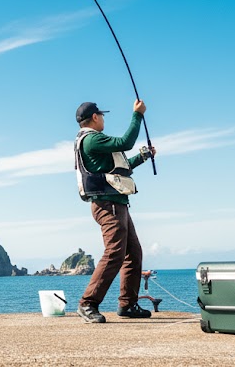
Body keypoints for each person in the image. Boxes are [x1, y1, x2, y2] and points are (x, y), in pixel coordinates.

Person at [73, 99, 157, 324]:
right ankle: (87, 304)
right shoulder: (92, 139)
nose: (103, 118)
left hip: (115, 204)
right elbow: (126, 142)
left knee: (133, 252)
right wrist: (137, 114)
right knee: (115, 253)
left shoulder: (94, 142)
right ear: (94, 117)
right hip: (107, 205)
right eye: (101, 115)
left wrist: (143, 156)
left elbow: (121, 167)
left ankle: (127, 304)